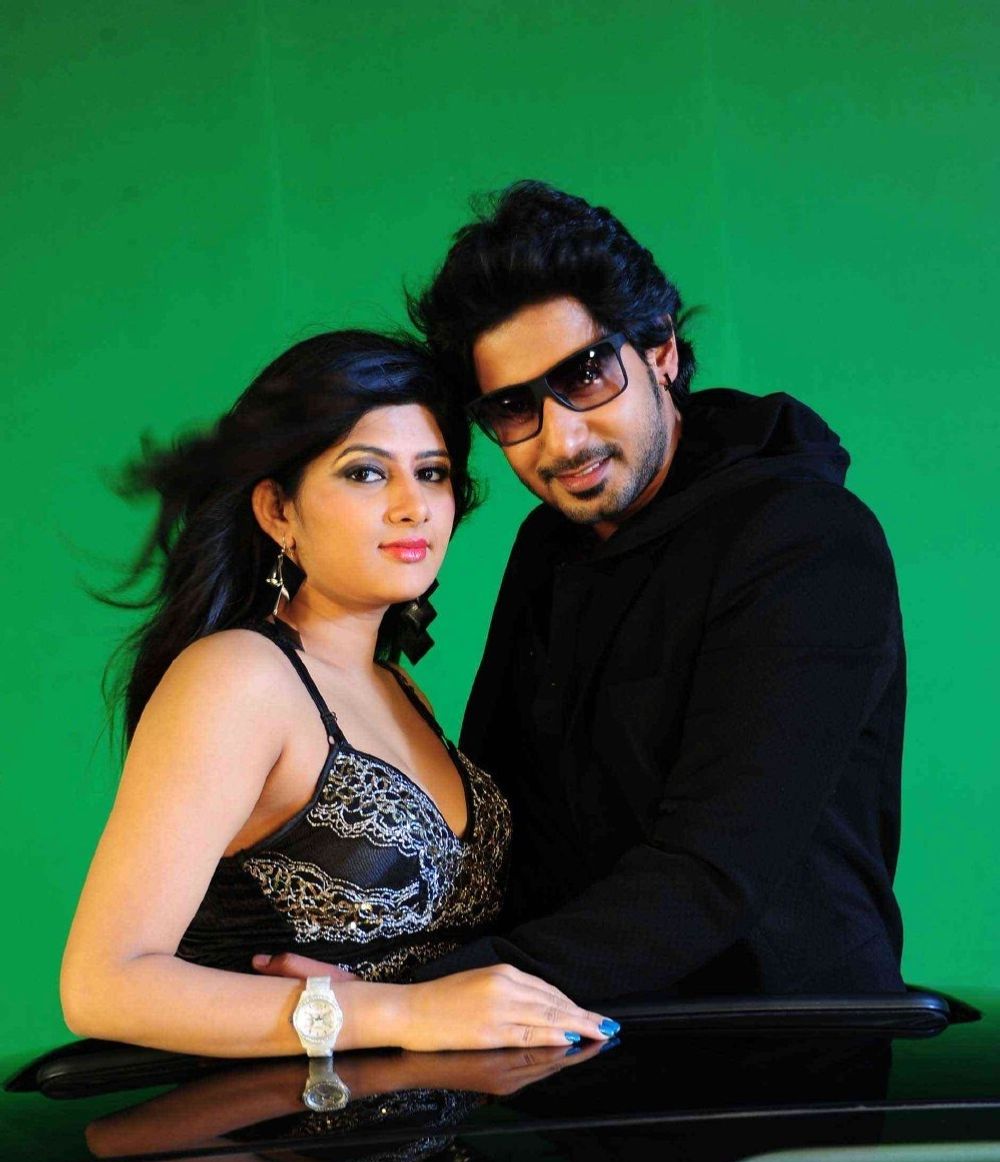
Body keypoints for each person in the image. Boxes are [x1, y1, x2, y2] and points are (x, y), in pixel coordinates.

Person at [405, 181, 906, 1000]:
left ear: (661, 349)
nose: (562, 439)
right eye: (515, 408)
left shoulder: (806, 538)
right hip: (568, 1033)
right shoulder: (549, 544)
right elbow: (499, 825)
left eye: (586, 374)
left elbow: (712, 876)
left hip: (780, 1044)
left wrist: (420, 994)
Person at [60, 329, 614, 1056]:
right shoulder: (239, 678)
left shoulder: (397, 688)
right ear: (278, 511)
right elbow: (102, 985)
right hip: (282, 1122)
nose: (413, 506)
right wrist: (395, 1014)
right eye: (366, 473)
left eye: (433, 472)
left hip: (432, 1114)